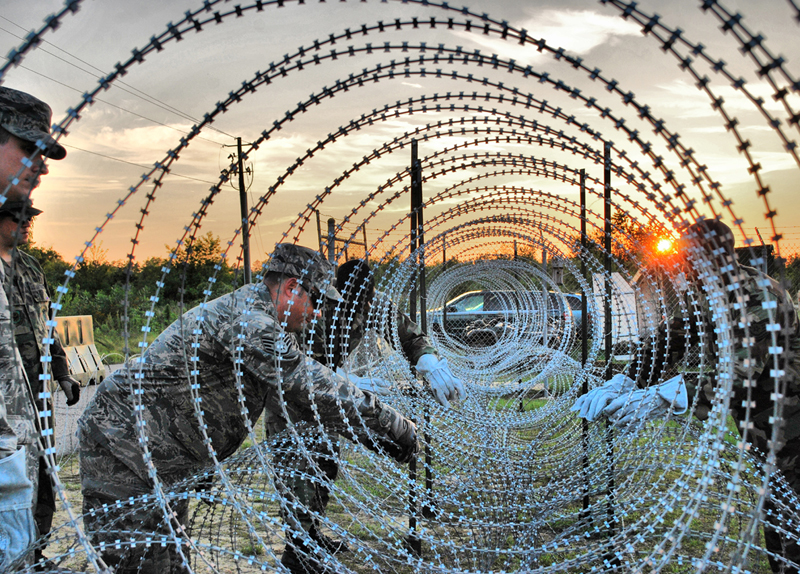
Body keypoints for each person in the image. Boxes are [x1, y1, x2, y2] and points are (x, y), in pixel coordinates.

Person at [77, 243, 419, 574]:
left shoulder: (269, 321)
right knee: (142, 563)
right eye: (315, 301)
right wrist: (393, 426)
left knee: (169, 562)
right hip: (123, 450)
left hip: (163, 458)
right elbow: (311, 384)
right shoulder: (249, 322)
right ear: (291, 288)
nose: (317, 312)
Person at [572, 219, 800, 573]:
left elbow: (743, 374)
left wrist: (668, 396)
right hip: (760, 423)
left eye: (691, 259)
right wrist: (624, 380)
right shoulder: (707, 291)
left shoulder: (758, 296)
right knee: (779, 514)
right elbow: (671, 339)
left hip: (789, 420)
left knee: (791, 520)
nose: (684, 267)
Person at [0, 86, 70, 570]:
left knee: (42, 475)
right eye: (28, 149)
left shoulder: (29, 271)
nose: (41, 167)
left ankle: (35, 548)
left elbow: (48, 329)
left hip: (31, 395)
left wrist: (62, 371)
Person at [312, 258, 466, 408]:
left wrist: (430, 363)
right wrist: (347, 381)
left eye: (370, 298)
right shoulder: (317, 309)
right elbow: (304, 361)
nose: (368, 306)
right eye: (360, 303)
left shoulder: (375, 302)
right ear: (341, 295)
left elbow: (410, 337)